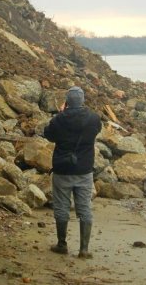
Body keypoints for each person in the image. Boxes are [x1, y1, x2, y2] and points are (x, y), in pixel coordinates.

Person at [43, 86, 102, 258]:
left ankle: (62, 244)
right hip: (84, 169)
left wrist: (62, 114)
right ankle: (84, 249)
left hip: (63, 169)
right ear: (83, 101)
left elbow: (48, 135)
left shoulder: (58, 120)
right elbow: (96, 131)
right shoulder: (93, 118)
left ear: (67, 102)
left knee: (61, 207)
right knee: (84, 208)